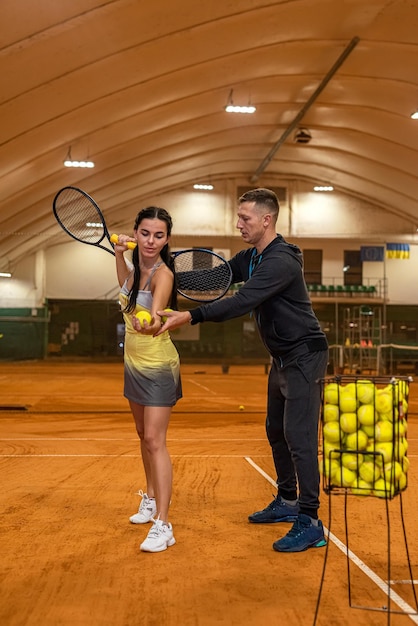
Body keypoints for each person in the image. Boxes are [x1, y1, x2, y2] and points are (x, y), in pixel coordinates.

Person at [155, 188, 329, 553]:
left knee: (299, 438)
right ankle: (287, 500)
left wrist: (190, 315)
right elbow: (215, 278)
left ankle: (310, 520)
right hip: (282, 357)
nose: (238, 224)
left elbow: (242, 300)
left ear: (267, 220)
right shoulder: (252, 257)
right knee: (275, 431)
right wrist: (161, 264)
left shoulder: (281, 261)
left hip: (304, 357)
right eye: (238, 217)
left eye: (245, 218)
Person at [114, 206, 182, 553]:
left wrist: (149, 324)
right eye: (145, 233)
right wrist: (117, 253)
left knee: (155, 439)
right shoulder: (135, 268)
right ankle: (151, 499)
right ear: (135, 232)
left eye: (158, 235)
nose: (151, 241)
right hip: (133, 361)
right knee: (142, 434)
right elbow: (124, 285)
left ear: (167, 239)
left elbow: (156, 319)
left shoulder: (162, 274)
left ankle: (164, 524)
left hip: (157, 364)